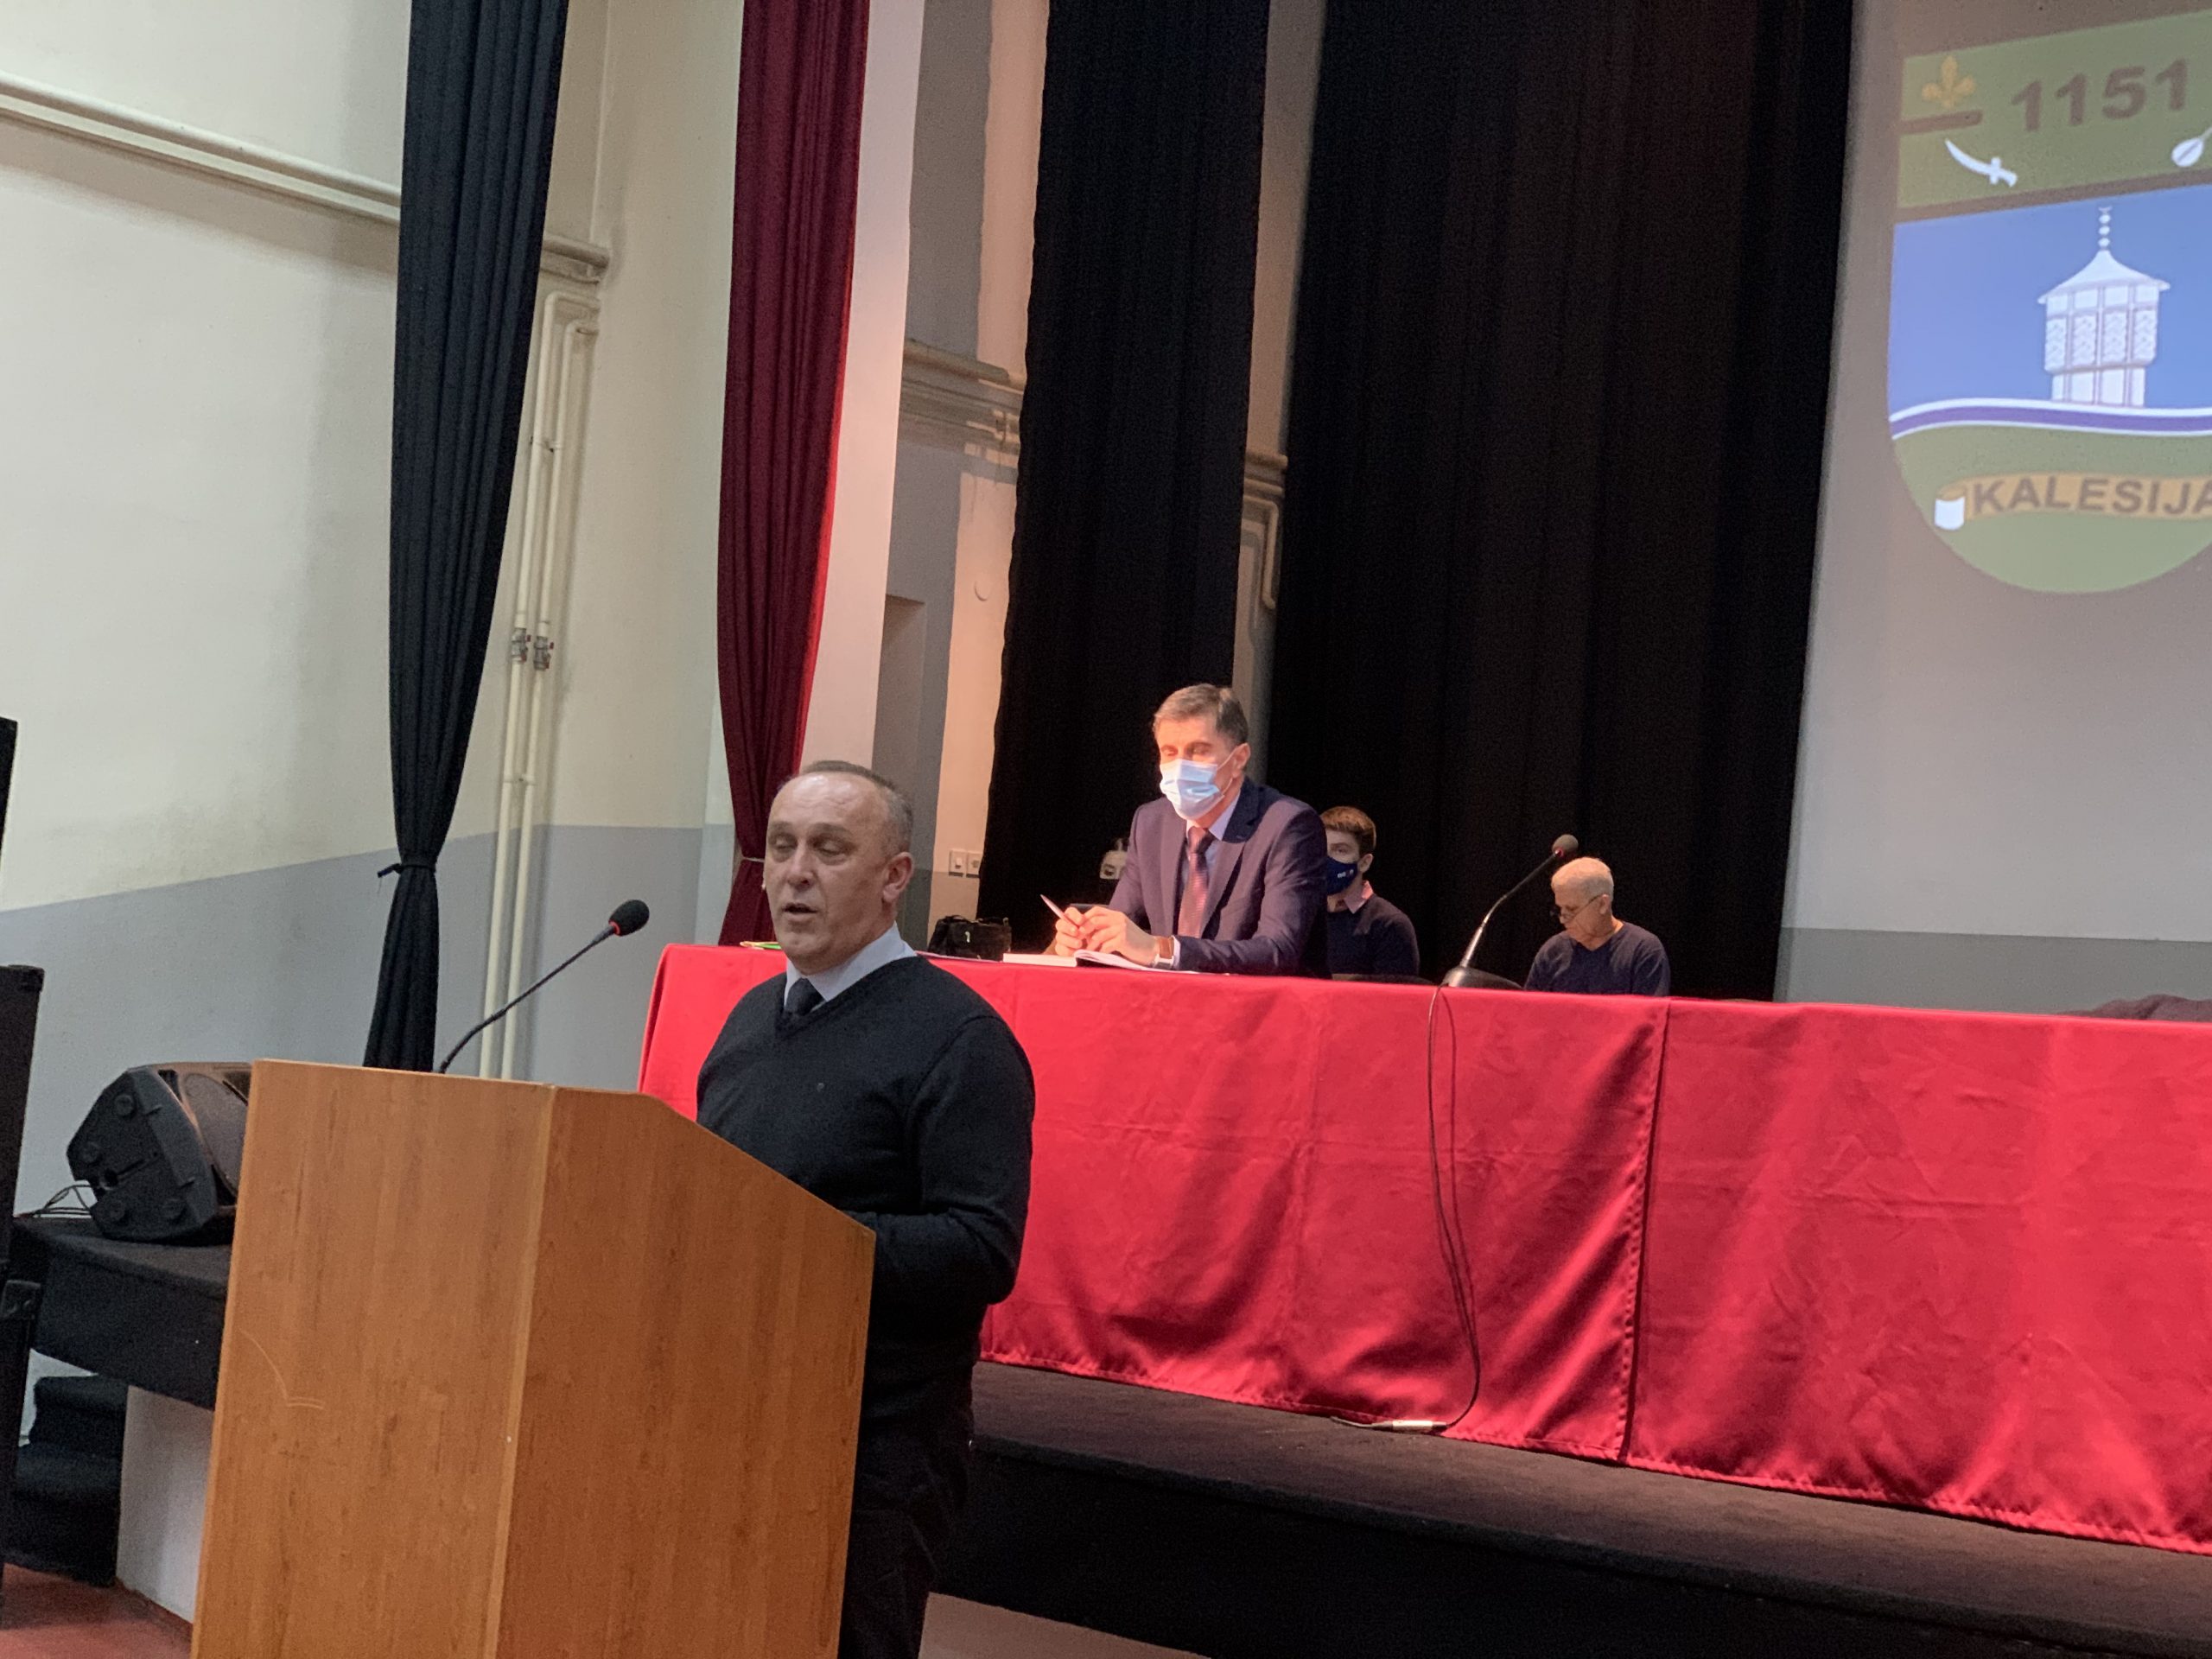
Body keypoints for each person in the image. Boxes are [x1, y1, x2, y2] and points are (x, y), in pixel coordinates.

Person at [695, 760, 1034, 1659]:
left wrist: (794, 1240)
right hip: (727, 1413)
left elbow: (981, 1247)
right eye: (780, 847)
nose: (795, 873)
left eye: (830, 850)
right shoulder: (747, 1020)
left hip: (872, 1443)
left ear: (894, 877)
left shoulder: (960, 1039)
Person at [1055, 683, 1327, 975]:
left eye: (1198, 751)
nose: (1180, 766)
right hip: (1167, 999)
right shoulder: (1151, 823)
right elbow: (1123, 923)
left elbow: (1277, 950)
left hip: (1258, 1001)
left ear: (1238, 759)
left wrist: (1162, 949)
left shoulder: (1287, 825)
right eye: (1169, 752)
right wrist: (1090, 938)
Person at [1523, 856, 1670, 996]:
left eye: (1572, 909)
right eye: (1560, 909)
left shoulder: (1643, 951)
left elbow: (1649, 1012)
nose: (1562, 919)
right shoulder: (1552, 952)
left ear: (1603, 904)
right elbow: (1529, 1009)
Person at [1320, 805, 1421, 977]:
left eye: (1340, 850)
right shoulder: (1301, 917)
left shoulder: (1390, 925)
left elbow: (1395, 993)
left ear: (1364, 863)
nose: (1326, 859)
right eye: (1321, 848)